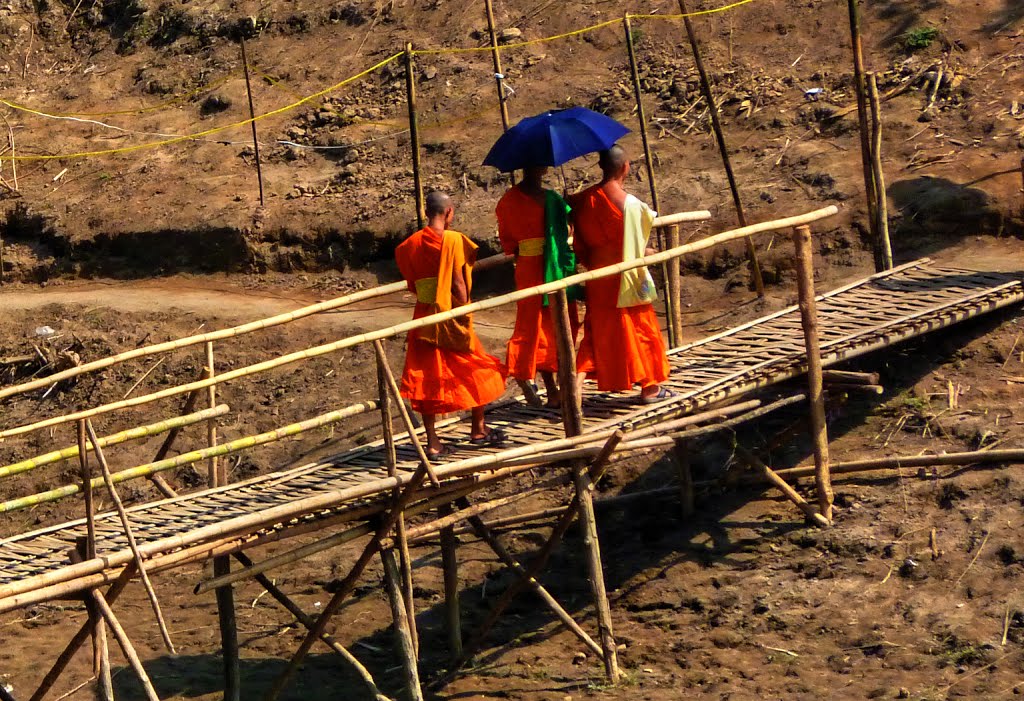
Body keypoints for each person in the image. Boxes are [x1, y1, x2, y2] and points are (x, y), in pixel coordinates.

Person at [396, 191, 508, 456]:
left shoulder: (408, 246)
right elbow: (458, 283)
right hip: (451, 314)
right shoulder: (454, 240)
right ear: (448, 213)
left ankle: (433, 442)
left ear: (426, 213)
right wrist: (464, 313)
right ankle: (478, 428)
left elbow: (413, 285)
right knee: (476, 366)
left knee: (427, 376)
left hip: (424, 317)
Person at [570, 145, 673, 403]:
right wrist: (646, 252)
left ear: (601, 167)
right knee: (639, 329)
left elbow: (580, 243)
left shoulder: (583, 200)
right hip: (626, 277)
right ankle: (650, 387)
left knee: (596, 332)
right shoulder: (632, 205)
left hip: (597, 277)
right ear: (625, 167)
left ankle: (577, 387)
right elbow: (635, 244)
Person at [494, 165, 578, 408]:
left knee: (534, 326)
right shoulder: (551, 199)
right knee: (559, 323)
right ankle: (561, 389)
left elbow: (510, 244)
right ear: (540, 168)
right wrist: (567, 209)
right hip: (553, 267)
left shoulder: (507, 201)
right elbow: (569, 230)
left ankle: (551, 389)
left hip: (527, 268)